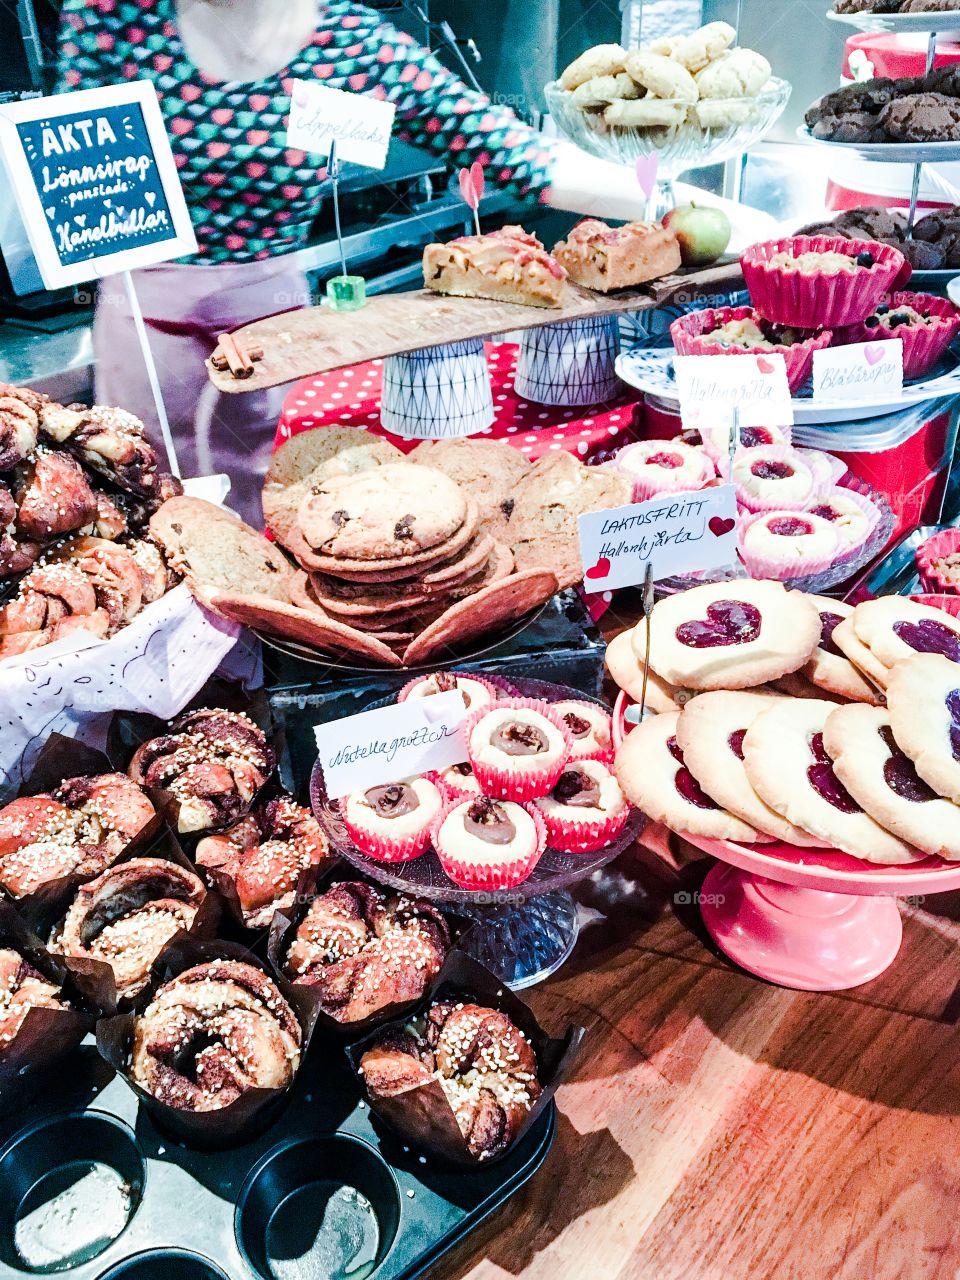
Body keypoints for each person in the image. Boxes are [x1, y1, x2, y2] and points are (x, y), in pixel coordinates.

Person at [58, 0, 750, 520]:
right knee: (148, 519)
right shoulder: (113, 15)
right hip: (144, 328)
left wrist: (675, 203)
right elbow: (72, 173)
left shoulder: (347, 38)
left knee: (287, 517)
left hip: (274, 335)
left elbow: (504, 146)